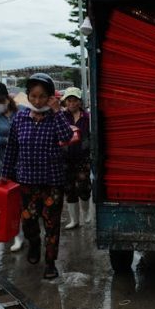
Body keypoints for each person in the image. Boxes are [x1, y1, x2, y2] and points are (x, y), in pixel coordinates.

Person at [0, 73, 74, 279]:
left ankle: (50, 262)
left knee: (52, 224)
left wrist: (57, 111)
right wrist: (5, 174)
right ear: (28, 96)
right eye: (33, 96)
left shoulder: (56, 117)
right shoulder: (21, 118)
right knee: (29, 221)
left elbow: (67, 137)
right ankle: (34, 243)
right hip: (27, 181)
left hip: (53, 182)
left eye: (42, 96)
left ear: (50, 97)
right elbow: (12, 148)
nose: (38, 101)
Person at [0, 82, 24, 252]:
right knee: (14, 203)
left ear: (7, 98)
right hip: (7, 165)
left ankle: (35, 232)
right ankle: (18, 236)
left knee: (30, 201)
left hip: (28, 163)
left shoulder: (22, 110)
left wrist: (9, 139)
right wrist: (16, 139)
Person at [60, 87, 92, 229]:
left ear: (79, 102)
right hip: (65, 158)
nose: (72, 103)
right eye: (69, 100)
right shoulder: (61, 117)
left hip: (83, 158)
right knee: (69, 189)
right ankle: (74, 219)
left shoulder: (87, 118)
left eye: (75, 101)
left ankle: (85, 212)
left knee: (84, 188)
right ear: (66, 102)